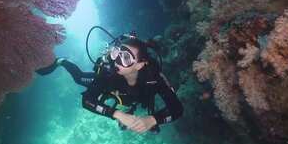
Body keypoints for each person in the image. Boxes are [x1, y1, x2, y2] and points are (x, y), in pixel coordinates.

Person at [36, 33, 183, 133]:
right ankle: (62, 61)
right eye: (116, 53)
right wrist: (117, 114)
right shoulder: (109, 72)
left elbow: (177, 109)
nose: (116, 61)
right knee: (79, 78)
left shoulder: (153, 77)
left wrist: (153, 119)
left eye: (125, 58)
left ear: (139, 65)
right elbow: (87, 101)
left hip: (134, 97)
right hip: (113, 89)